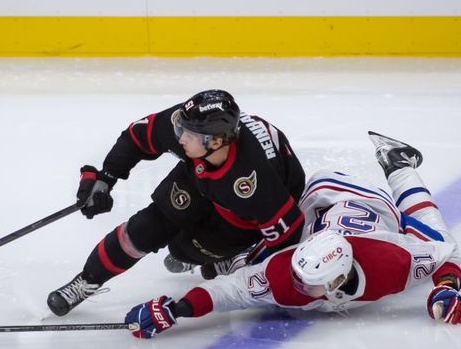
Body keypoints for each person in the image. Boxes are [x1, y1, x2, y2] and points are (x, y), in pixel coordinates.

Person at [125, 131, 461, 338]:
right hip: (324, 195)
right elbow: (231, 290)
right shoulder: (289, 271)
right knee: (260, 249)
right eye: (301, 280)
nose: (297, 286)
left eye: (310, 285)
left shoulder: (392, 263)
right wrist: (177, 308)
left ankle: (398, 164)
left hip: (368, 217)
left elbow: (443, 250)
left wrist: (445, 289)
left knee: (426, 223)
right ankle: (221, 255)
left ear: (337, 281)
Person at [46, 89, 306, 316]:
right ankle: (86, 281)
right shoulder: (193, 130)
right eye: (180, 128)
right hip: (200, 177)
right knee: (146, 228)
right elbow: (137, 137)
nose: (179, 137)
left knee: (181, 252)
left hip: (240, 217)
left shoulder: (257, 183)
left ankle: (229, 256)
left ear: (215, 141)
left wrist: (256, 272)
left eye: (187, 134)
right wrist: (106, 177)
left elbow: (288, 238)